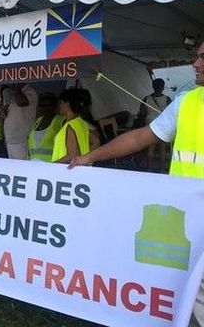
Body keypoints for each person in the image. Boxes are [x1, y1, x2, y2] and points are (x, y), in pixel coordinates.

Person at [70, 41, 204, 327]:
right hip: (188, 229)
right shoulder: (188, 102)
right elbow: (139, 137)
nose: (196, 63)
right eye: (196, 56)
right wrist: (91, 157)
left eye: (203, 57)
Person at [52, 88, 101, 163]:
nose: (59, 106)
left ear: (67, 103)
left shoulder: (69, 126)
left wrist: (52, 166)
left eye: (61, 103)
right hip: (79, 170)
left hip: (65, 171)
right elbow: (96, 141)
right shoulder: (81, 122)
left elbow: (72, 156)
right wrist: (85, 159)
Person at [137, 78, 172, 172]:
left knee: (150, 148)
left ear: (153, 86)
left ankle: (148, 169)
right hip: (163, 126)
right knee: (162, 149)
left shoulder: (146, 98)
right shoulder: (167, 99)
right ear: (163, 87)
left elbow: (141, 113)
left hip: (150, 126)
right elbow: (171, 113)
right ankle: (162, 170)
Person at [2, 83, 38, 159]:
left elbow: (21, 102)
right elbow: (5, 114)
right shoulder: (10, 93)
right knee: (12, 169)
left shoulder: (30, 92)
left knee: (22, 168)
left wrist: (17, 87)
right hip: (10, 139)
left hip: (22, 140)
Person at [28, 92, 65, 161]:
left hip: (51, 164)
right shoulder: (37, 121)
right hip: (33, 163)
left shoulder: (61, 121)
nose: (45, 108)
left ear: (55, 106)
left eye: (49, 105)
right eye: (42, 105)